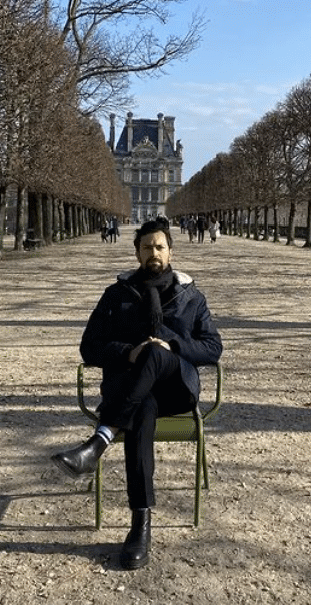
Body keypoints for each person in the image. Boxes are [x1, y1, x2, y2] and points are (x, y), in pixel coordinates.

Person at [50, 218, 224, 570]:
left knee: (158, 351)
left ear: (171, 251)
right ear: (137, 252)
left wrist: (172, 344)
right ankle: (140, 526)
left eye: (160, 246)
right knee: (142, 405)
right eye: (147, 247)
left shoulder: (191, 296)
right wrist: (128, 352)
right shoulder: (116, 295)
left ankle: (100, 440)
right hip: (134, 394)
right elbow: (90, 347)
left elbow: (213, 347)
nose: (154, 253)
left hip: (176, 390)